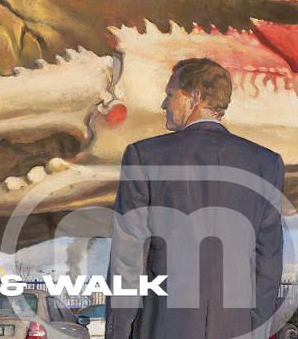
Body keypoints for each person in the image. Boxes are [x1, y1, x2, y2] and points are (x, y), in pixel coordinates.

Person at [105, 58, 284, 339]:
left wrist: (118, 331)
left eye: (170, 94)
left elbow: (128, 257)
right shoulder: (267, 163)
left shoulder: (145, 156)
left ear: (195, 98)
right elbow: (268, 262)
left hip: (162, 326)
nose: (163, 104)